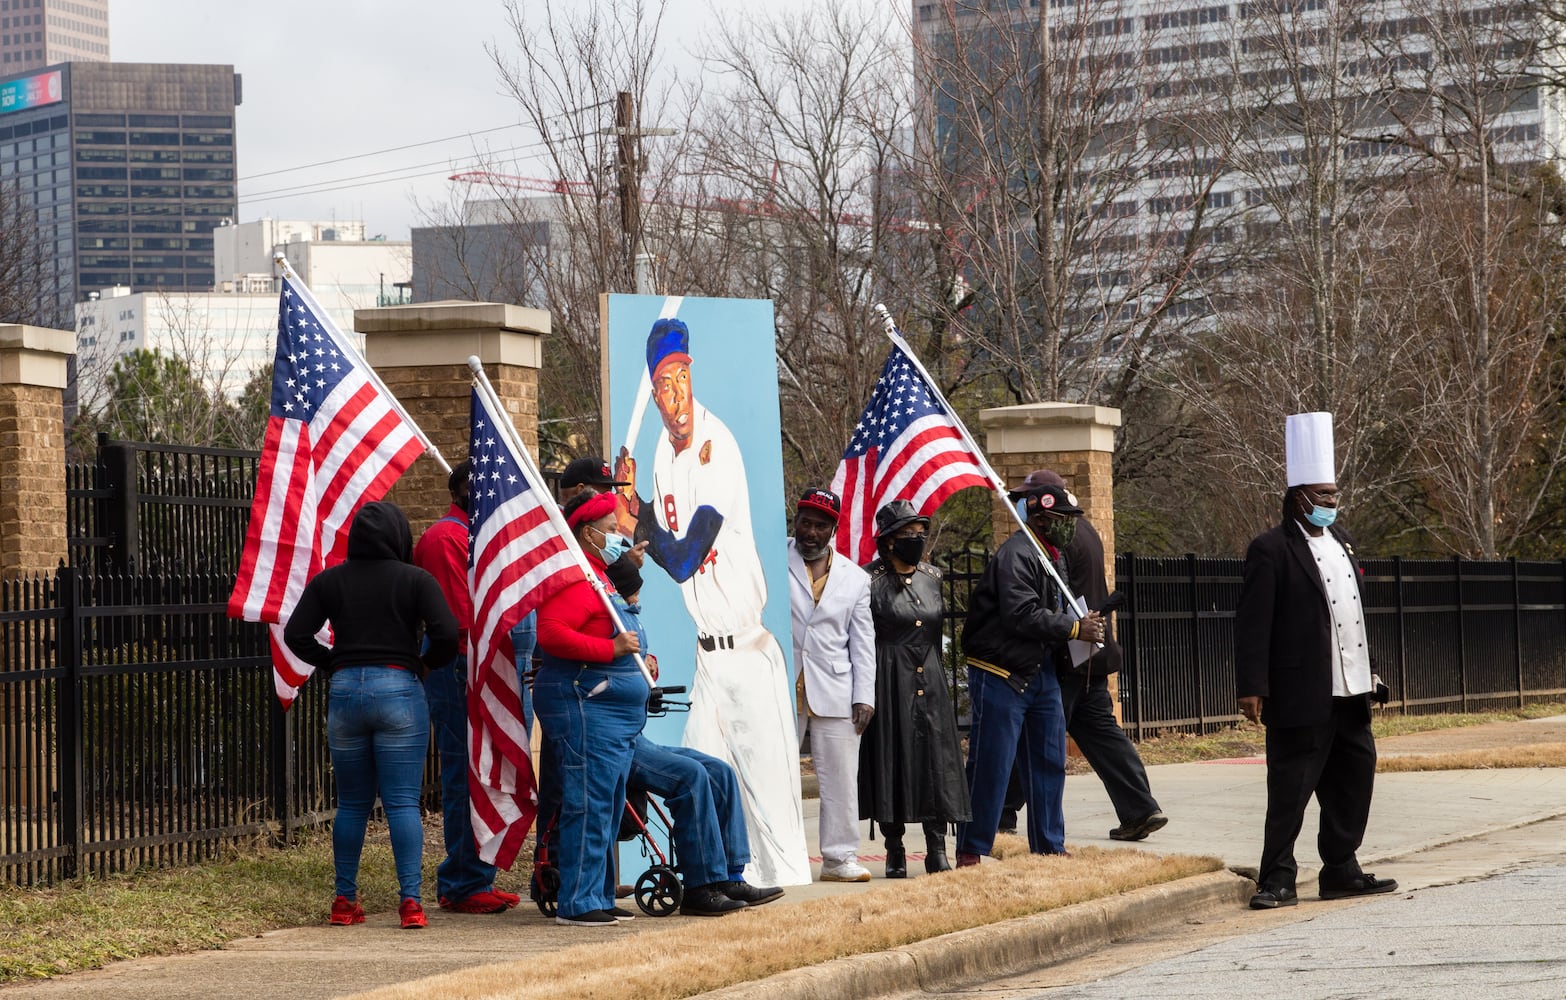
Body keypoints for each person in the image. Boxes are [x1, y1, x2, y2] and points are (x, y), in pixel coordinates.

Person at [613, 317, 810, 886]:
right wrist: (631, 512)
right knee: (696, 777)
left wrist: (637, 514)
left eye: (680, 378)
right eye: (662, 385)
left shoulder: (714, 444)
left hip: (747, 649)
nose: (673, 394)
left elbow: (683, 557)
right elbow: (655, 548)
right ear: (652, 393)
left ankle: (786, 897)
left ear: (690, 374)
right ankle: (714, 882)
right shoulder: (660, 452)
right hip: (708, 657)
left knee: (771, 805)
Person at [1236, 411, 1396, 910]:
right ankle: (1277, 877)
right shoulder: (1270, 549)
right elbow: (1253, 622)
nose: (1331, 503)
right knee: (1291, 786)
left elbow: (1353, 615)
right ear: (1299, 497)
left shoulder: (1343, 541)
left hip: (1351, 688)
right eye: (1323, 495)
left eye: (1334, 494)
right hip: (1301, 690)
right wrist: (1252, 685)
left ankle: (1341, 869)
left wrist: (1372, 671)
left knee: (1355, 775)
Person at [283, 501, 457, 931]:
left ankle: (344, 901)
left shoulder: (330, 581)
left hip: (345, 691)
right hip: (399, 687)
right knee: (401, 802)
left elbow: (295, 634)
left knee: (353, 804)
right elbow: (447, 632)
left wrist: (333, 661)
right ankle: (411, 904)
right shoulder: (416, 579)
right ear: (399, 536)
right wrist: (426, 662)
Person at [995, 472, 1166, 843]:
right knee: (1103, 735)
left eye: (1026, 497)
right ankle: (1140, 809)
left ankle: (1000, 811)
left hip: (1069, 654)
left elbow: (1053, 598)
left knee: (1036, 737)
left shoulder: (1054, 539)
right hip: (1090, 655)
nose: (1021, 504)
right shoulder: (1083, 529)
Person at [611, 557, 785, 915]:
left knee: (720, 771)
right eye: (634, 597)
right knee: (691, 777)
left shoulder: (627, 623)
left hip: (637, 735)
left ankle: (730, 875)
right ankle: (700, 885)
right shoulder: (607, 619)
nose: (637, 604)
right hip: (615, 738)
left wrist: (648, 673)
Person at [955, 472, 1105, 865]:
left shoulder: (1053, 557)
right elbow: (1021, 614)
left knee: (1049, 762)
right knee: (992, 763)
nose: (1072, 525)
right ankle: (972, 850)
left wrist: (1081, 621)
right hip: (1002, 673)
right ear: (1041, 518)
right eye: (1066, 518)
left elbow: (1053, 609)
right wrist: (1075, 627)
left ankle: (1049, 846)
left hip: (1042, 673)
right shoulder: (1016, 554)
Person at [532, 490, 647, 926]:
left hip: (609, 713)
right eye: (611, 529)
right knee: (588, 801)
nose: (619, 535)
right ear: (587, 532)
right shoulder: (573, 578)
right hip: (583, 704)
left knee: (609, 803)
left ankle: (597, 893)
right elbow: (552, 634)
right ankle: (578, 902)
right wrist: (610, 647)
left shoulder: (598, 576)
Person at [410, 460, 520, 915]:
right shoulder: (446, 539)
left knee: (484, 770)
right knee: (465, 772)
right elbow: (459, 616)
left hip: (476, 661)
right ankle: (460, 882)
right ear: (466, 493)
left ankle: (474, 876)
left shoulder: (471, 538)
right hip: (460, 663)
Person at [859, 499, 970, 877]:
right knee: (893, 756)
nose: (918, 539)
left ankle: (937, 844)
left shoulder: (933, 576)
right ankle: (895, 847)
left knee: (935, 760)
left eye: (921, 533)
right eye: (909, 534)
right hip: (889, 677)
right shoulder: (869, 580)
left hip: (931, 676)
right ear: (889, 541)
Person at [787, 487, 877, 883]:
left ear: (832, 530)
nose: (810, 531)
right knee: (775, 773)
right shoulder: (772, 559)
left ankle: (839, 860)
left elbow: (863, 643)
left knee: (841, 779)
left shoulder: (855, 579)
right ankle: (779, 856)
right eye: (805, 522)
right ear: (795, 521)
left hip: (836, 690)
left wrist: (865, 696)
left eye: (819, 526)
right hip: (782, 684)